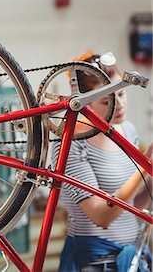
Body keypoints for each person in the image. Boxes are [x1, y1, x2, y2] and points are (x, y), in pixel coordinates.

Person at [52, 51, 152, 271]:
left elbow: (133, 203)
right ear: (82, 103)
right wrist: (146, 165)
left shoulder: (127, 130)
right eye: (107, 101)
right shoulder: (70, 142)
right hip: (95, 263)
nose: (120, 106)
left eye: (122, 94)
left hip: (132, 259)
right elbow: (101, 216)